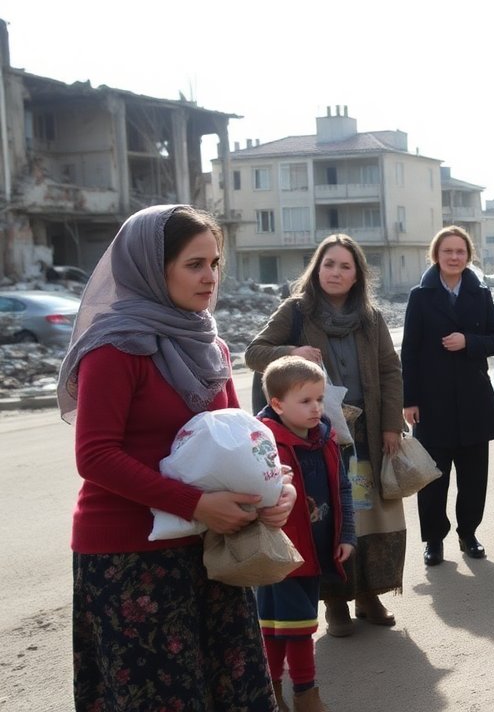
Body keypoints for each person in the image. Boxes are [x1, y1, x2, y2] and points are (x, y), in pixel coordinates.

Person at [62, 204, 296, 710]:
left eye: (215, 263)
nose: (209, 277)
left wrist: (278, 489)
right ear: (151, 266)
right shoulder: (114, 348)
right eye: (194, 264)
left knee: (231, 694)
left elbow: (247, 440)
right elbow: (95, 456)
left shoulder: (210, 345)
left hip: (212, 550)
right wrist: (194, 503)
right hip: (130, 556)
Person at [247, 234, 404, 637]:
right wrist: (292, 354)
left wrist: (390, 424)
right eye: (328, 264)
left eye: (345, 266)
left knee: (369, 516)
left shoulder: (371, 319)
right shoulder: (297, 311)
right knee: (328, 516)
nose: (335, 272)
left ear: (357, 276)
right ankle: (336, 602)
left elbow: (389, 370)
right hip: (313, 437)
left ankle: (370, 594)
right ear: (317, 269)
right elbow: (254, 352)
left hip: (364, 431)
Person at [402, 226, 494, 562]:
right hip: (432, 403)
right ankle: (434, 540)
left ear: (468, 256)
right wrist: (409, 400)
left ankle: (468, 534)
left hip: (474, 400)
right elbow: (410, 351)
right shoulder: (421, 296)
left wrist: (469, 342)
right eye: (447, 251)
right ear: (436, 254)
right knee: (433, 479)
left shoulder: (480, 293)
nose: (453, 257)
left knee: (474, 478)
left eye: (460, 251)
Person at [257, 356, 354, 712]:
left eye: (319, 398)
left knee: (291, 625)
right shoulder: (264, 445)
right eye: (306, 401)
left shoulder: (326, 438)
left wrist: (347, 535)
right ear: (278, 404)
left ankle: (280, 692)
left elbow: (342, 489)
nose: (316, 408)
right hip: (277, 556)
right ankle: (301, 695)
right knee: (285, 628)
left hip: (313, 552)